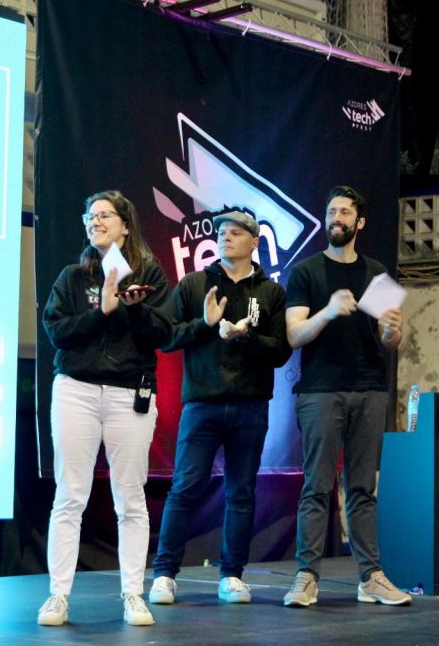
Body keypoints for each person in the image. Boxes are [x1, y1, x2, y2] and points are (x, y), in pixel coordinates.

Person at [39, 190, 172, 627]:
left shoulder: (149, 273)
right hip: (75, 389)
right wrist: (103, 311)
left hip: (129, 392)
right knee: (69, 496)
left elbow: (163, 334)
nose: (94, 222)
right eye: (90, 216)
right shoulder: (73, 276)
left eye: (104, 215)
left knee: (130, 498)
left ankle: (133, 594)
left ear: (125, 225)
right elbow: (57, 331)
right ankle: (58, 595)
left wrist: (133, 310)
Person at [149, 211, 291, 605]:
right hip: (202, 403)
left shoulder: (271, 292)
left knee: (241, 493)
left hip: (250, 406)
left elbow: (281, 351)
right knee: (184, 488)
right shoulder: (195, 284)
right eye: (221, 232)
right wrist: (205, 323)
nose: (225, 237)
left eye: (235, 232)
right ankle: (164, 575)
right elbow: (167, 338)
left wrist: (245, 338)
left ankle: (231, 575)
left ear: (254, 242)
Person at [282, 186, 411, 607]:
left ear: (360, 222)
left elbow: (391, 341)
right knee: (317, 487)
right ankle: (306, 577)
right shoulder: (306, 272)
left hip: (370, 389)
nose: (336, 218)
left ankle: (370, 577)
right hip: (321, 390)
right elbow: (294, 335)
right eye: (331, 211)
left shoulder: (376, 273)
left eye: (345, 212)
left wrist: (392, 331)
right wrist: (328, 310)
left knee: (363, 489)